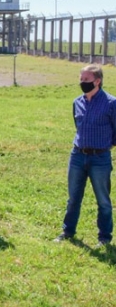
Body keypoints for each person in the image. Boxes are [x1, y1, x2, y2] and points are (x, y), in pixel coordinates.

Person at [55, 65, 116, 247]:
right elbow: (78, 125)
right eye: (81, 79)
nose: (82, 83)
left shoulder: (111, 103)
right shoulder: (77, 102)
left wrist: (106, 146)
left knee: (103, 200)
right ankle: (68, 231)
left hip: (100, 158)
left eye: (86, 80)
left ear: (97, 81)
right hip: (78, 156)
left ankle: (104, 237)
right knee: (73, 197)